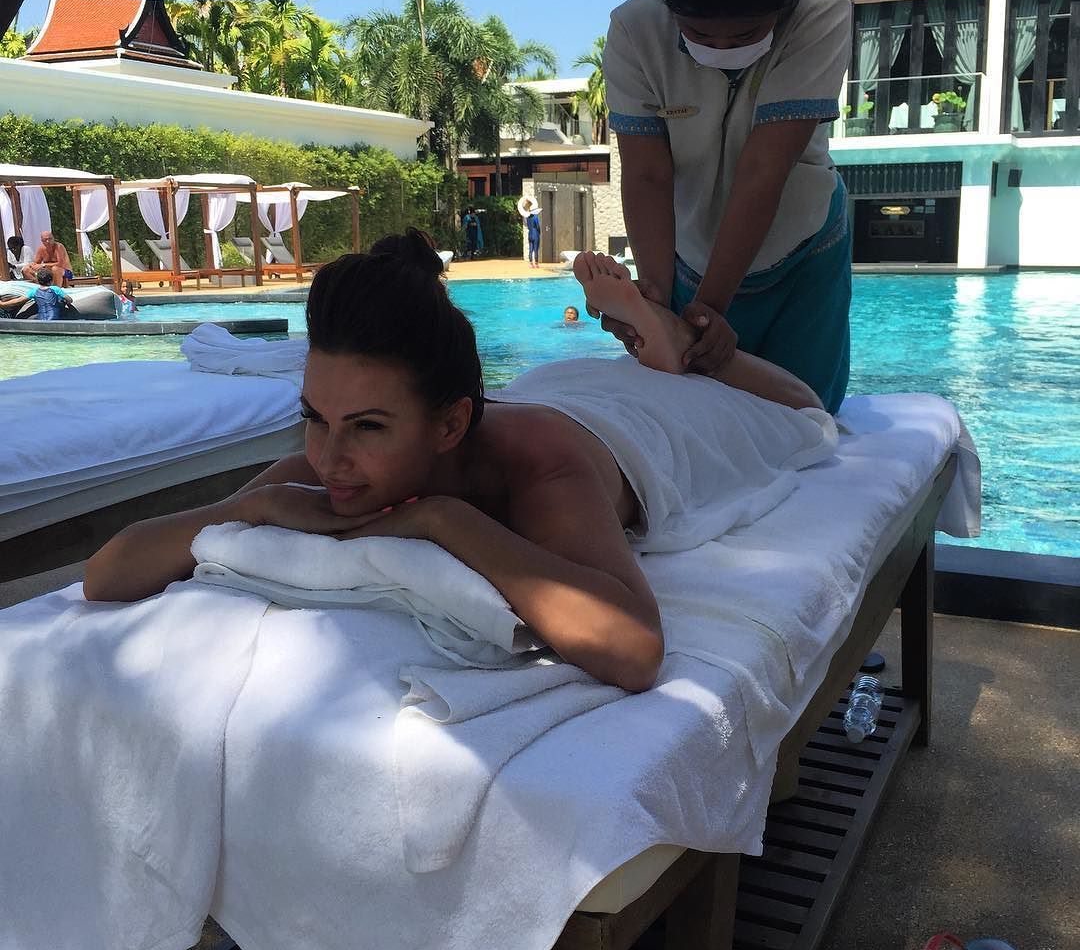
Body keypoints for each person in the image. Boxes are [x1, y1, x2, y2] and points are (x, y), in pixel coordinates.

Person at [84, 229, 826, 691]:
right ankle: (655, 348)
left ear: (449, 426)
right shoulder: (329, 465)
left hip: (639, 424)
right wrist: (246, 507)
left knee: (805, 413)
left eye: (367, 427)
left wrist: (441, 520)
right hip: (552, 384)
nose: (329, 459)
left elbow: (634, 649)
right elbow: (106, 573)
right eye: (313, 418)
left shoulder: (541, 469)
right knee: (626, 375)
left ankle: (679, 349)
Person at [599, 0, 853, 412]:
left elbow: (764, 169)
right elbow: (646, 174)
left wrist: (705, 312)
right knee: (688, 408)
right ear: (669, 3)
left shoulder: (821, 9)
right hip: (687, 253)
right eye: (697, 33)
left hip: (801, 248)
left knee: (806, 415)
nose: (722, 48)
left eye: (746, 34)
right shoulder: (634, 28)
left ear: (784, 7)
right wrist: (654, 298)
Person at [0, 268, 71, 320]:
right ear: (51, 281)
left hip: (41, 318)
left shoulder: (34, 291)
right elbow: (69, 299)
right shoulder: (56, 289)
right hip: (57, 317)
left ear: (38, 281)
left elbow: (17, 301)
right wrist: (66, 302)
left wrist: (2, 304)